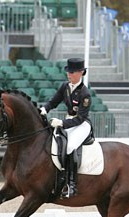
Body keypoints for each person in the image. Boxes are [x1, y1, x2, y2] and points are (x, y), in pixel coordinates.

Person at [40, 57, 93, 198]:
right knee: (54, 141)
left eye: (73, 72)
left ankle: (71, 185)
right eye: (68, 72)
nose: (69, 75)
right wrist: (44, 109)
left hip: (82, 124)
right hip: (70, 121)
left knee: (70, 147)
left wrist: (62, 123)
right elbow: (54, 101)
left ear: (81, 72)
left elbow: (80, 118)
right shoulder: (65, 86)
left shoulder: (85, 94)